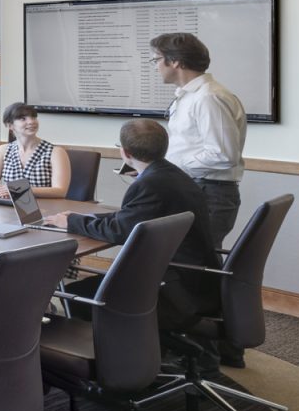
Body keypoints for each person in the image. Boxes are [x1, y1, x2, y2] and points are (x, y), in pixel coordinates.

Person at [41, 119, 219, 329]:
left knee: (75, 294)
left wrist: (70, 222)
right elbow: (129, 219)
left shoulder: (149, 183)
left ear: (125, 152)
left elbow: (120, 231)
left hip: (174, 286)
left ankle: (108, 354)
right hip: (193, 278)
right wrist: (84, 218)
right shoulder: (172, 174)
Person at [151, 31, 247, 244]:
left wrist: (173, 168)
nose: (155, 66)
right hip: (196, 188)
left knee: (195, 263)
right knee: (191, 261)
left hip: (209, 193)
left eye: (157, 59)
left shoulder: (208, 98)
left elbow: (223, 154)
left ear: (175, 61)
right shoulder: (190, 96)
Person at [0, 102, 71, 199]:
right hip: (10, 208)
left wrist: (17, 190)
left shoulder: (56, 152)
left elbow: (60, 191)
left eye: (33, 117)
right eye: (23, 119)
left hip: (45, 209)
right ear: (10, 125)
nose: (31, 121)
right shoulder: (3, 150)